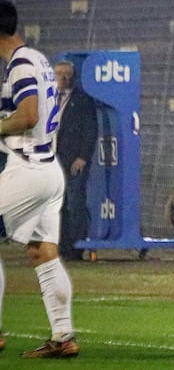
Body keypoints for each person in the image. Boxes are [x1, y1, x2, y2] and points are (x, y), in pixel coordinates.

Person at [0, 0, 79, 358]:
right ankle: (63, 336)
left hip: (28, 167)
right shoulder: (38, 60)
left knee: (42, 251)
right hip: (48, 168)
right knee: (42, 251)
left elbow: (28, 115)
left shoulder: (19, 65)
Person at [54, 60, 98, 262]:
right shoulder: (48, 99)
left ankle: (76, 247)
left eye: (67, 74)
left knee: (75, 203)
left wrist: (83, 157)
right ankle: (61, 246)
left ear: (73, 77)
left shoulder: (82, 100)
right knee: (57, 205)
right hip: (52, 159)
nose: (63, 77)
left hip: (73, 160)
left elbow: (90, 131)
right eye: (59, 73)